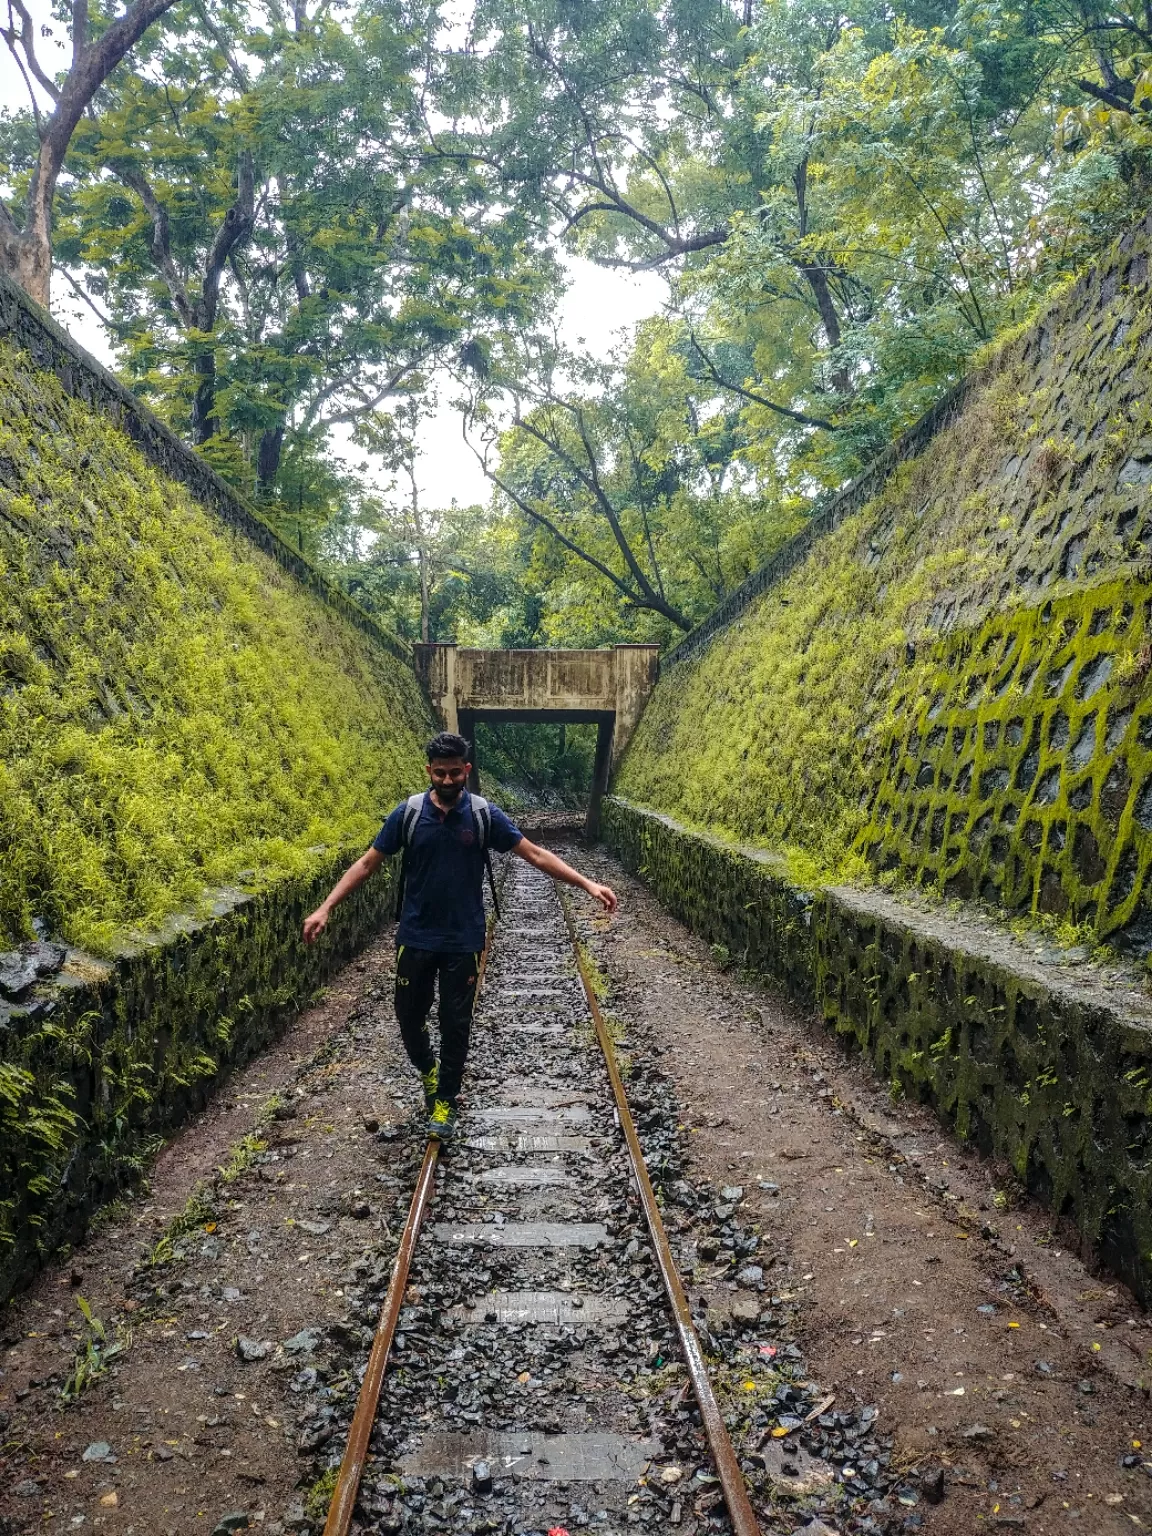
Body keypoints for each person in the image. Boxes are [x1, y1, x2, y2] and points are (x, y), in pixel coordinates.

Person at [302, 731, 617, 1140]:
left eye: (455, 773)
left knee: (455, 1024)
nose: (448, 781)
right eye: (440, 773)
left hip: (463, 940)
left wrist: (588, 885)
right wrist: (326, 906)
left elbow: (535, 854)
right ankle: (429, 1073)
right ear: (429, 771)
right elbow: (367, 863)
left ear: (466, 770)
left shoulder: (484, 815)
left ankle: (446, 1100)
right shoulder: (409, 813)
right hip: (415, 937)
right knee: (409, 1018)